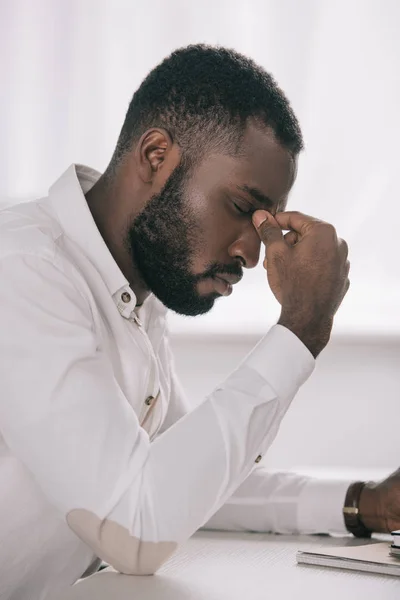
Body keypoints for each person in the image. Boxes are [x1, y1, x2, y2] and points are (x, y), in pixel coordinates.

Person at [0, 44, 398, 600]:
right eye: (241, 208)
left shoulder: (133, 291)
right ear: (157, 155)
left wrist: (363, 502)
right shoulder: (23, 271)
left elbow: (188, 481)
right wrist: (300, 330)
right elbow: (133, 527)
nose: (254, 253)